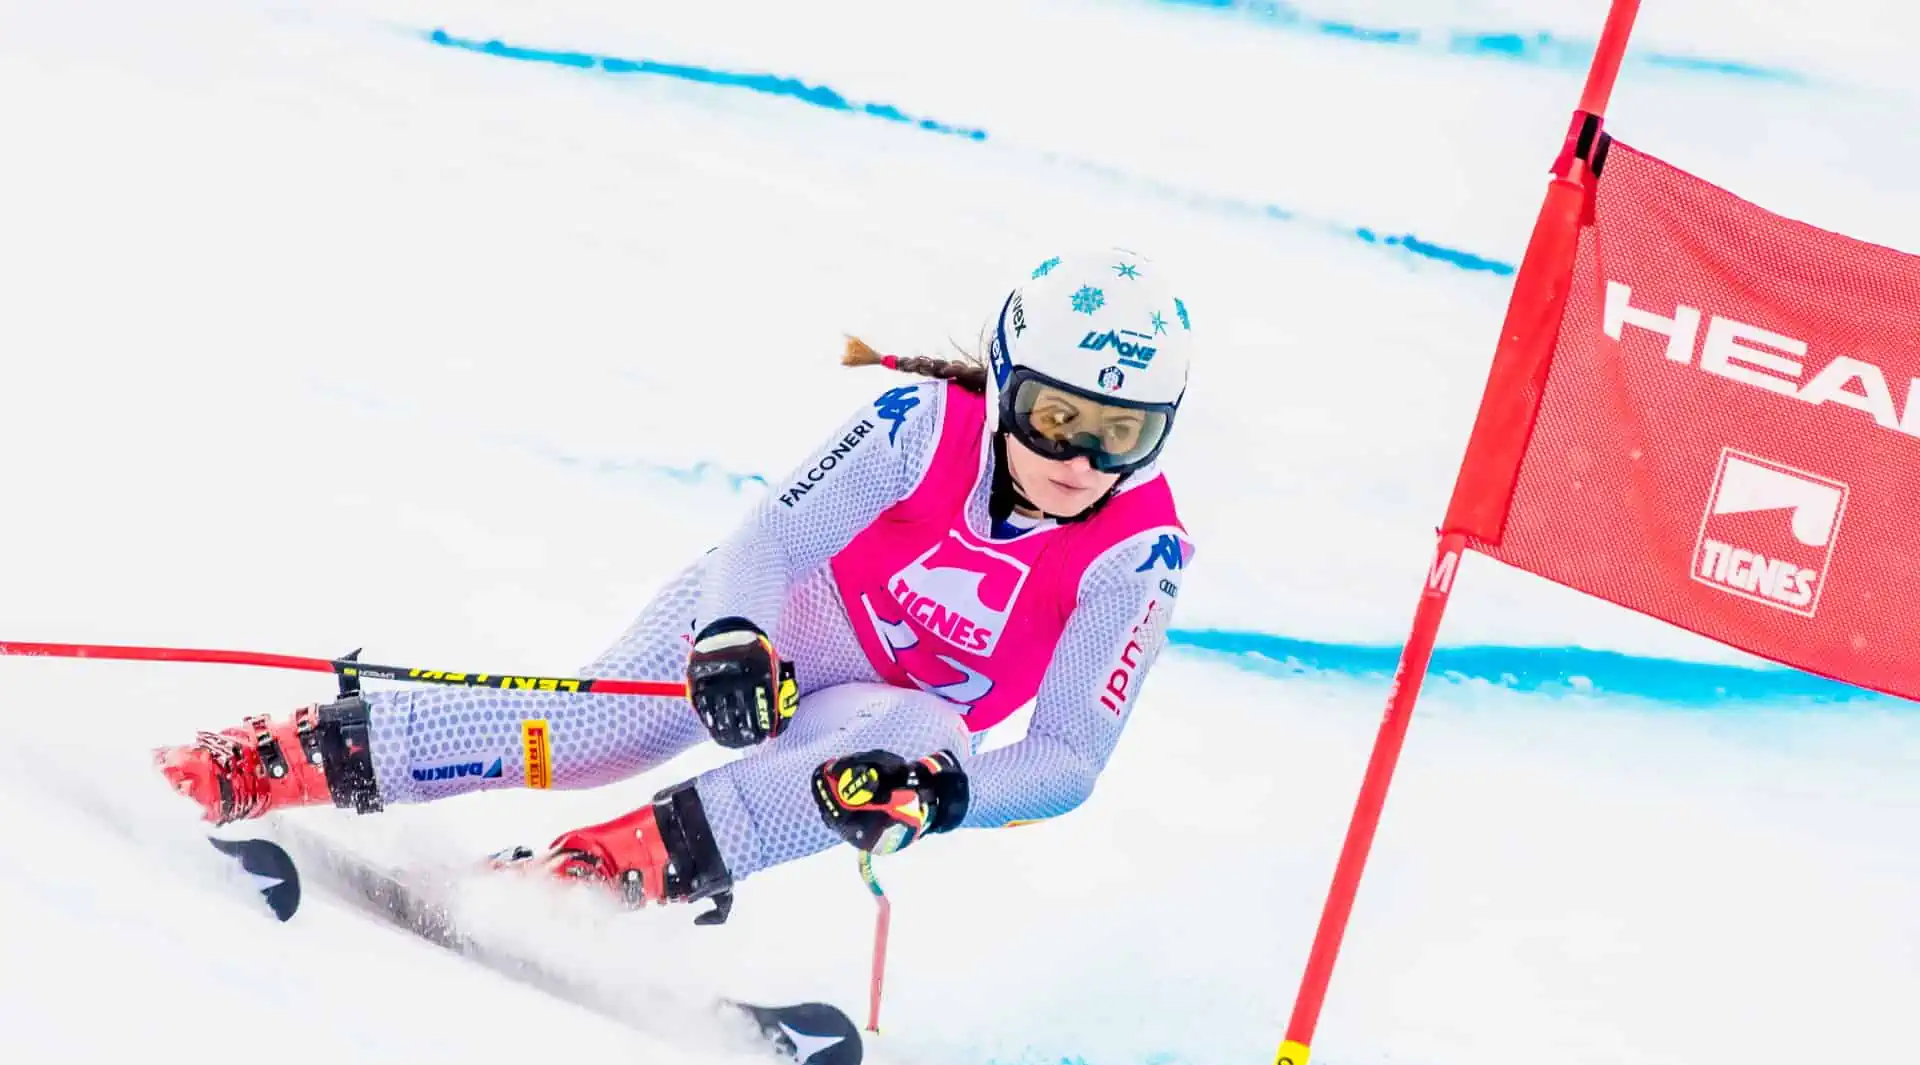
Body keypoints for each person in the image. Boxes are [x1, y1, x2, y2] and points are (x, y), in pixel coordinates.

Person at [156, 247, 1197, 919]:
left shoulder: (1137, 557)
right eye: (1061, 419)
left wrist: (946, 796)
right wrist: (734, 635)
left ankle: (589, 880)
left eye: (1123, 436)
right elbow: (770, 538)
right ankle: (272, 757)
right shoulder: (920, 425)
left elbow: (1068, 757)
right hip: (787, 620)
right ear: (1011, 381)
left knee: (918, 743)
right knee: (600, 734)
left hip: (884, 703)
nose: (1083, 462)